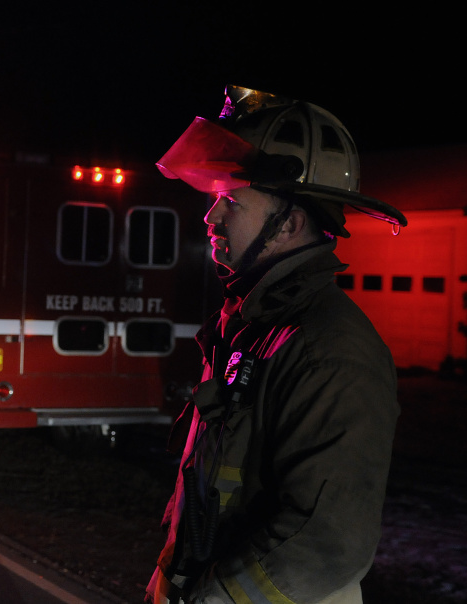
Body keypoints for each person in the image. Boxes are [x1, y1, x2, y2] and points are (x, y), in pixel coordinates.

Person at [146, 86, 407, 604]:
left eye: (231, 200)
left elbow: (330, 540)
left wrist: (214, 599)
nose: (211, 217)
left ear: (288, 223)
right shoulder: (253, 326)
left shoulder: (328, 347)